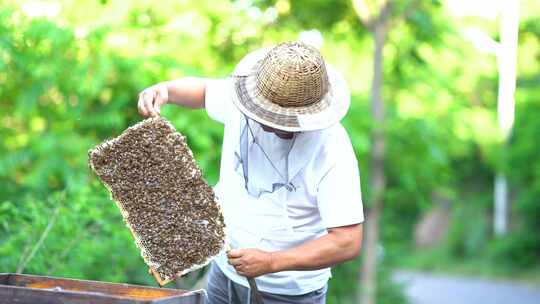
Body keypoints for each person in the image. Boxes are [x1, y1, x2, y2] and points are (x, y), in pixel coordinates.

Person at [137, 41, 364, 304]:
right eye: (272, 116)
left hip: (289, 294)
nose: (278, 125)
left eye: (291, 119)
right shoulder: (240, 103)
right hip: (224, 275)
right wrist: (165, 90)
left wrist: (272, 261)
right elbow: (203, 91)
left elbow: (347, 241)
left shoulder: (332, 148)